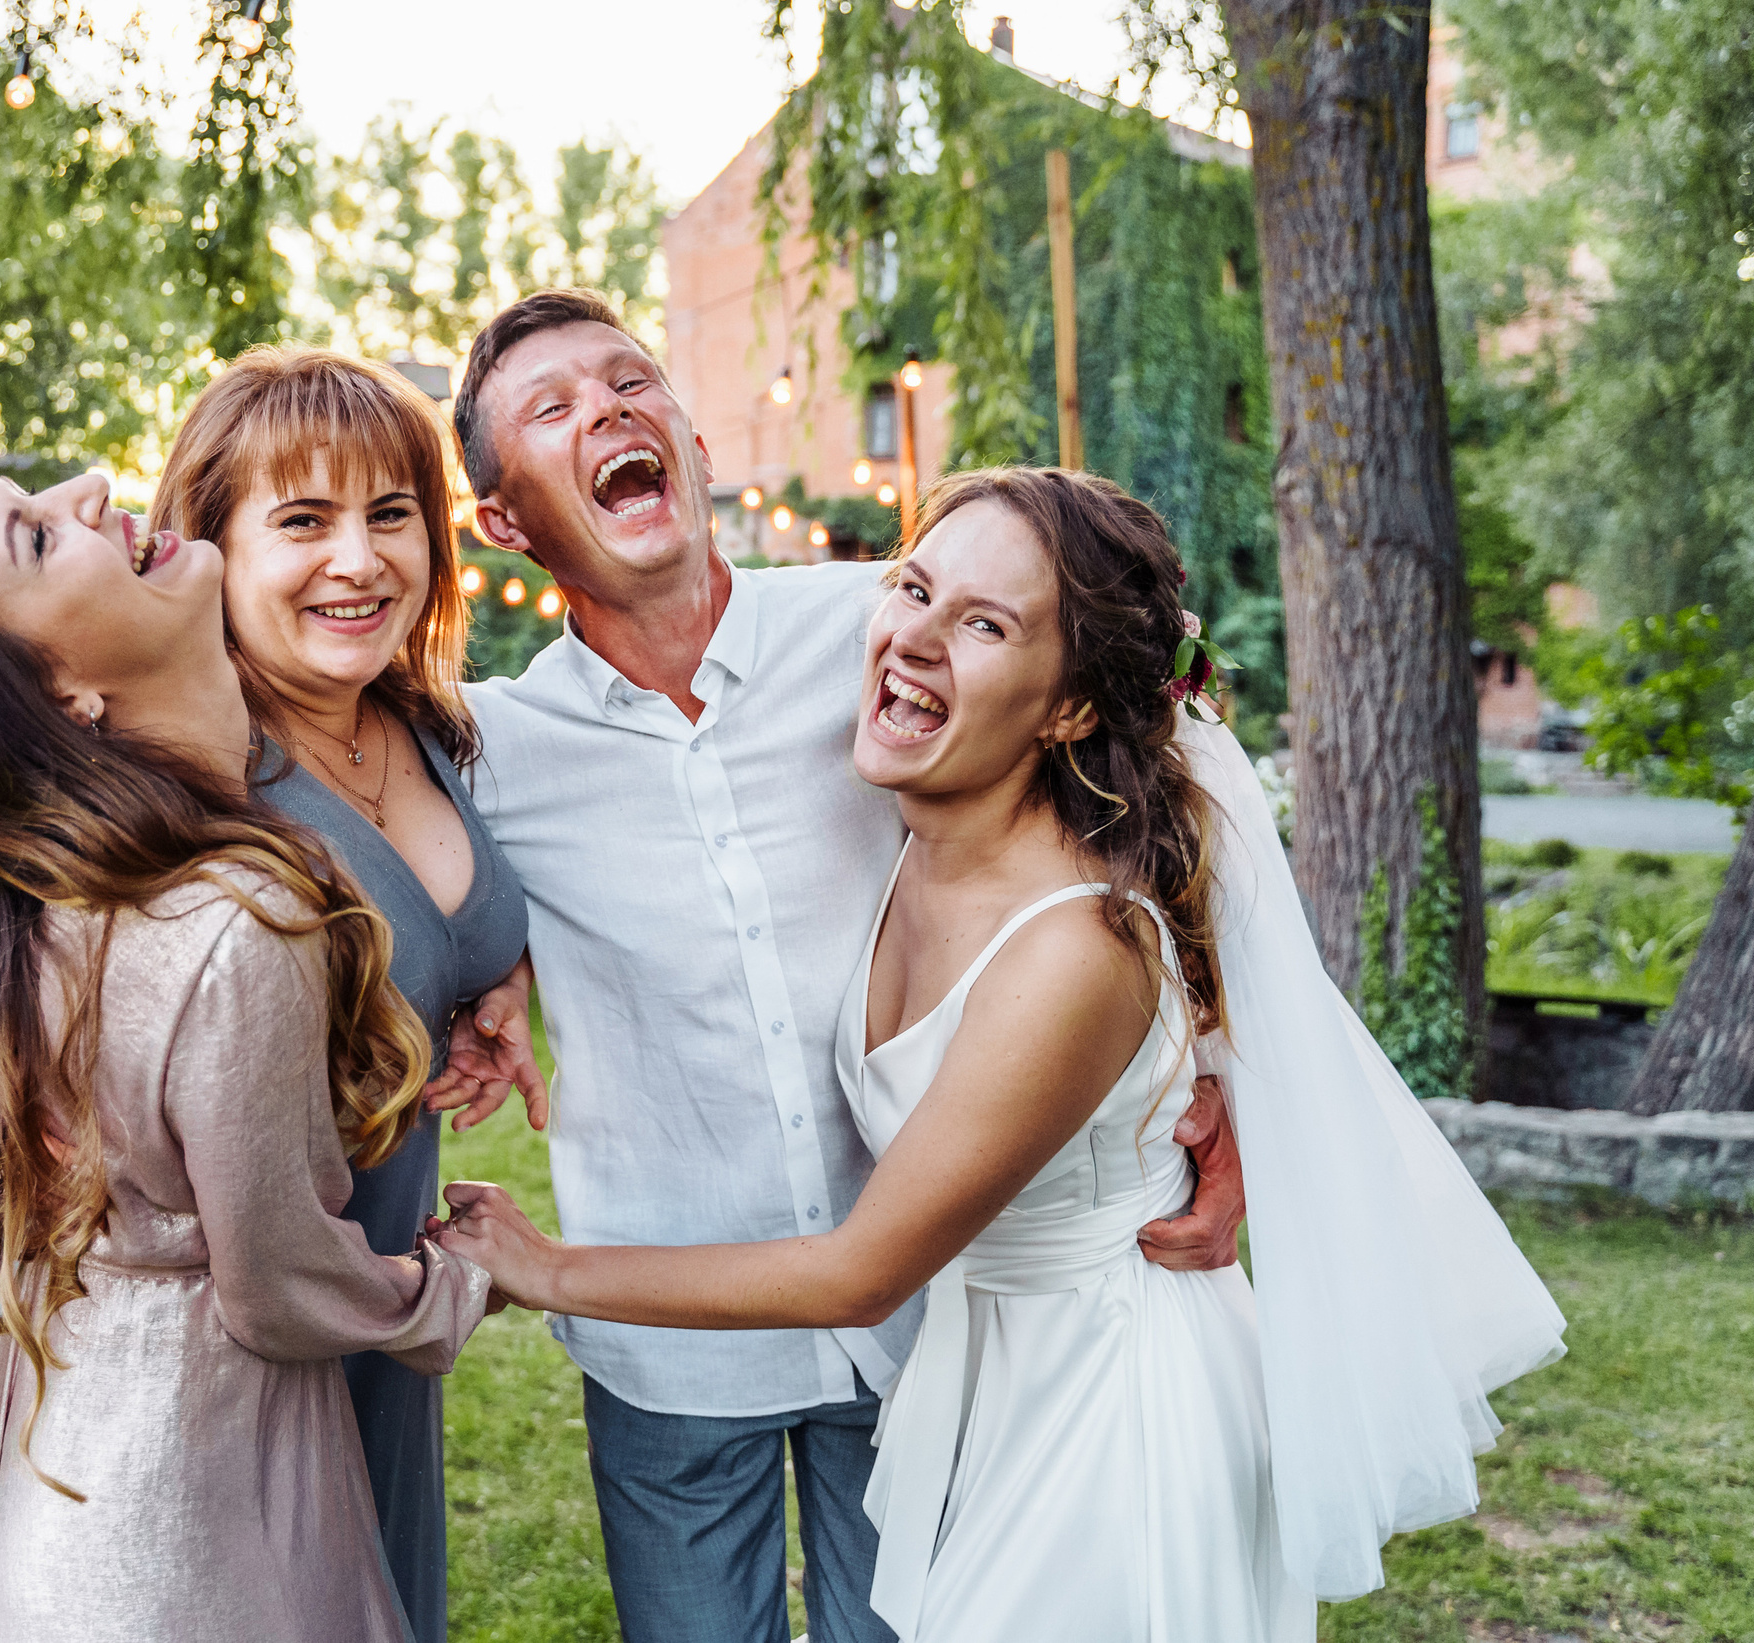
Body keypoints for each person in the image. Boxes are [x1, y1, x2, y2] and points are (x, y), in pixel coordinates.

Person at [437, 468, 1567, 1641]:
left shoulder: (1072, 951)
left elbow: (859, 1272)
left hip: (1107, 1421)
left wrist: (546, 1269)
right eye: (913, 589)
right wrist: (502, 966)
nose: (914, 637)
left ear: (1070, 706)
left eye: (982, 624)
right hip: (982, 1386)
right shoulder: (917, 830)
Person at [433, 289, 1249, 1643]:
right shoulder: (488, 750)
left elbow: (1148, 793)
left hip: (939, 1318)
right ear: (505, 522)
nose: (610, 410)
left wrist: (1207, 1097)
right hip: (672, 1332)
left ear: (690, 436)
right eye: (554, 408)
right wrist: (489, 968)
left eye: (630, 379)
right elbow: (405, 867)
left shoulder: (889, 629)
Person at [0, 475, 493, 1643]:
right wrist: (456, 1282)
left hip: (55, 1468)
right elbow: (278, 1286)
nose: (93, 489)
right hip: (187, 1517)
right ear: (59, 692)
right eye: (38, 534)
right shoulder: (232, 918)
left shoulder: (52, 895)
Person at [0, 349, 532, 1643]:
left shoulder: (419, 721)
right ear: (213, 543)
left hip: (383, 1261)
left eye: (391, 512)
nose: (357, 560)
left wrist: (496, 979)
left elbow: (426, 928)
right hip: (256, 1313)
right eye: (302, 521)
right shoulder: (187, 782)